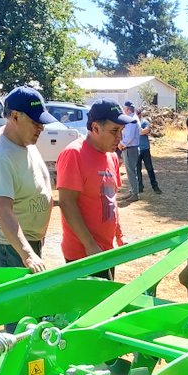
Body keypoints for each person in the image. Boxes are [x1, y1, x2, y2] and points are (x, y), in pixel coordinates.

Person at [0, 86, 53, 273]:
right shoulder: (0, 155)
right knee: (20, 301)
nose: (41, 127)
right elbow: (2, 209)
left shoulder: (23, 139)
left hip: (26, 239)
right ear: (15, 116)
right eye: (35, 122)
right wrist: (27, 254)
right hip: (9, 245)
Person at [55, 98, 131, 278]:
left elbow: (111, 199)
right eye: (114, 131)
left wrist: (120, 236)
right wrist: (89, 245)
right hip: (83, 254)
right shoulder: (74, 154)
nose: (120, 137)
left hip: (105, 250)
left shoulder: (111, 157)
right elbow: (66, 203)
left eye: (121, 130)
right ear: (95, 128)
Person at [118, 100, 141, 203]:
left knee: (131, 171)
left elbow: (130, 136)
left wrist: (121, 144)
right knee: (130, 171)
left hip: (130, 148)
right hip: (130, 148)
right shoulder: (133, 118)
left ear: (127, 109)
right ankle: (132, 191)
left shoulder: (132, 120)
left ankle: (135, 193)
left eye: (124, 108)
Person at [136, 108, 161, 194]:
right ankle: (139, 187)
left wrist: (136, 132)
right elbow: (143, 132)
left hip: (145, 149)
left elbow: (147, 130)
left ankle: (155, 186)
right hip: (136, 149)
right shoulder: (133, 122)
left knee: (149, 168)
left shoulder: (144, 121)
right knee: (137, 169)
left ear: (140, 115)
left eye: (138, 114)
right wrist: (141, 131)